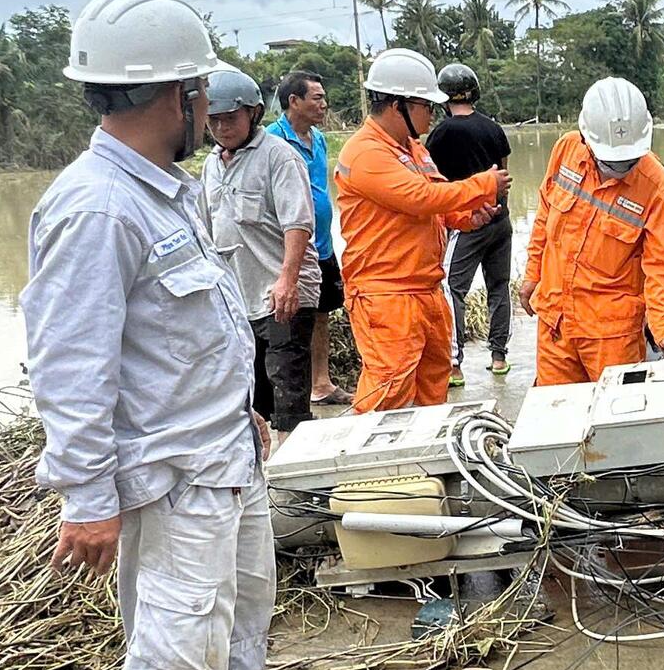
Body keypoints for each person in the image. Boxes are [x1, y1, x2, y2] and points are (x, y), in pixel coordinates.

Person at [22, 0, 331, 670]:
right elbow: (70, 364)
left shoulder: (165, 188)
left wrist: (245, 411)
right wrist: (86, 495)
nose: (210, 106)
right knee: (177, 624)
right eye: (200, 91)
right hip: (169, 470)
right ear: (174, 97)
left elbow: (193, 325)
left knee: (241, 603)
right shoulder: (95, 208)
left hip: (224, 446)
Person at [335, 47, 508, 412]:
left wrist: (465, 217)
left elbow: (435, 206)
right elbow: (419, 197)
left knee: (433, 387)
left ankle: (427, 463)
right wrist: (483, 184)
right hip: (386, 293)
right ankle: (373, 466)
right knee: (388, 392)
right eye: (426, 105)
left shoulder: (412, 149)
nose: (432, 113)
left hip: (425, 288)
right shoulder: (365, 153)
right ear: (399, 105)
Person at [519, 76, 664, 384]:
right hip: (556, 322)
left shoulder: (656, 186)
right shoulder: (566, 151)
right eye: (611, 161)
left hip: (612, 337)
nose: (620, 169)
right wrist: (532, 276)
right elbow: (544, 217)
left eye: (628, 161)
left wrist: (663, 325)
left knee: (615, 420)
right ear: (586, 139)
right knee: (555, 415)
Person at [200, 68, 322, 439]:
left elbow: (298, 223)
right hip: (240, 299)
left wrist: (287, 281)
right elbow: (206, 231)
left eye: (230, 118)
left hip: (284, 295)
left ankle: (299, 485)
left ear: (253, 113)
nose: (222, 128)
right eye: (214, 120)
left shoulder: (278, 157)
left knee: (289, 396)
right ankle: (264, 477)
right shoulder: (210, 165)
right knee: (253, 398)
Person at [267, 68, 352, 406]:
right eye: (317, 98)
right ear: (294, 101)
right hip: (291, 248)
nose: (324, 105)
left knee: (322, 313)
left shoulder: (317, 137)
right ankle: (289, 395)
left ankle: (321, 383)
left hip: (323, 245)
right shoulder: (273, 140)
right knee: (287, 320)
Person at [425, 62, 513, 384]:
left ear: (442, 97)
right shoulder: (493, 128)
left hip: (465, 222)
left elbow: (429, 181)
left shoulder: (440, 134)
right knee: (499, 287)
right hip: (500, 222)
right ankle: (499, 357)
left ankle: (455, 364)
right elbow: (503, 176)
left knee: (452, 289)